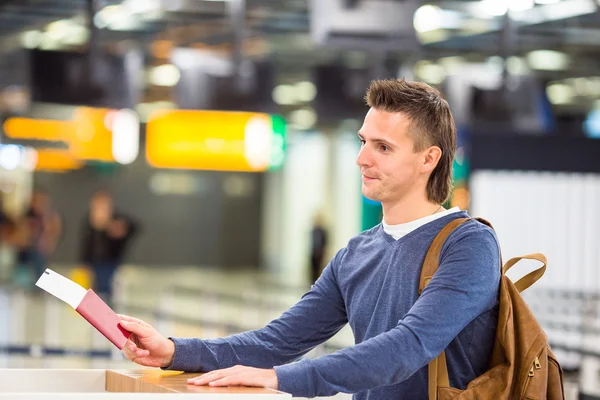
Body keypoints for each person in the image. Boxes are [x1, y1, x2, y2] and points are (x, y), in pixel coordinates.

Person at [119, 79, 500, 399]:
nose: (362, 158)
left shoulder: (468, 245)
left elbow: (408, 346)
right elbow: (279, 341)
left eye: (383, 147)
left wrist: (281, 379)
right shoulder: (357, 253)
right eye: (364, 141)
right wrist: (174, 350)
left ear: (428, 159)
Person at [79, 190, 138, 304]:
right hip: (93, 261)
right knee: (93, 290)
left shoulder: (116, 218)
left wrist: (113, 228)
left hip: (109, 261)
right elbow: (86, 243)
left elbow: (133, 227)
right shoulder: (89, 219)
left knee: (105, 290)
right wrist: (84, 262)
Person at [14, 190, 62, 287]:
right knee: (23, 279)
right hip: (25, 252)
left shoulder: (48, 216)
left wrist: (49, 242)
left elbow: (54, 231)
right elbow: (19, 234)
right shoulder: (26, 216)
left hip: (40, 252)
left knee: (40, 277)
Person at [309, 213, 328, 283]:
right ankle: (311, 282)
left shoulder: (323, 231)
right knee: (312, 268)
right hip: (313, 251)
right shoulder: (313, 230)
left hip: (320, 252)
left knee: (319, 268)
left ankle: (317, 281)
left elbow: (325, 241)